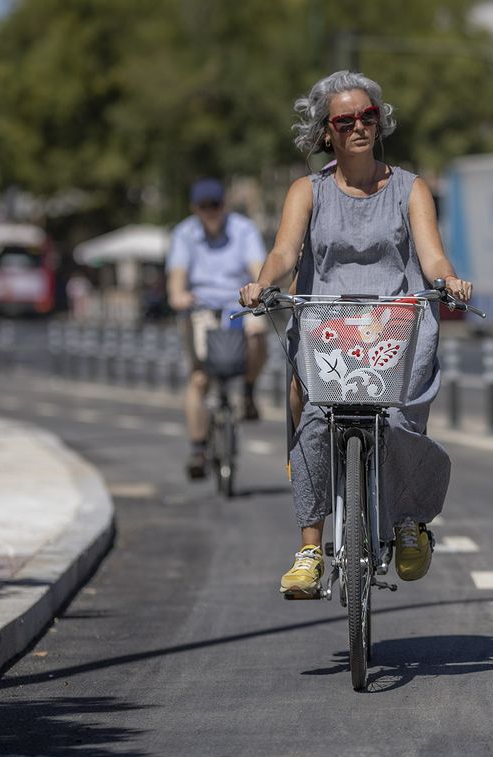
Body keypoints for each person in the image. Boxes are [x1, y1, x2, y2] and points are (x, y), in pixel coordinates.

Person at [240, 70, 472, 599]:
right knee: (317, 420)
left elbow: (432, 255)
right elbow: (283, 253)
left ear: (379, 122)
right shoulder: (308, 190)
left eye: (368, 116)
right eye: (345, 121)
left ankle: (409, 521)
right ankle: (308, 550)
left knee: (397, 416)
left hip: (396, 323)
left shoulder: (411, 189)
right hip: (329, 325)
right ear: (327, 132)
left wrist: (448, 280)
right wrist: (261, 283)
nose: (359, 127)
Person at [167, 178, 268, 479]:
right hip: (200, 308)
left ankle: (248, 390)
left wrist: (259, 289)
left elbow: (258, 269)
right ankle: (198, 449)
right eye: (204, 207)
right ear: (194, 209)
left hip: (239, 304)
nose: (210, 212)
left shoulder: (244, 229)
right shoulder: (184, 234)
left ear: (225, 205)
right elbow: (176, 278)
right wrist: (178, 296)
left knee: (259, 331)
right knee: (199, 378)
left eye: (216, 205)